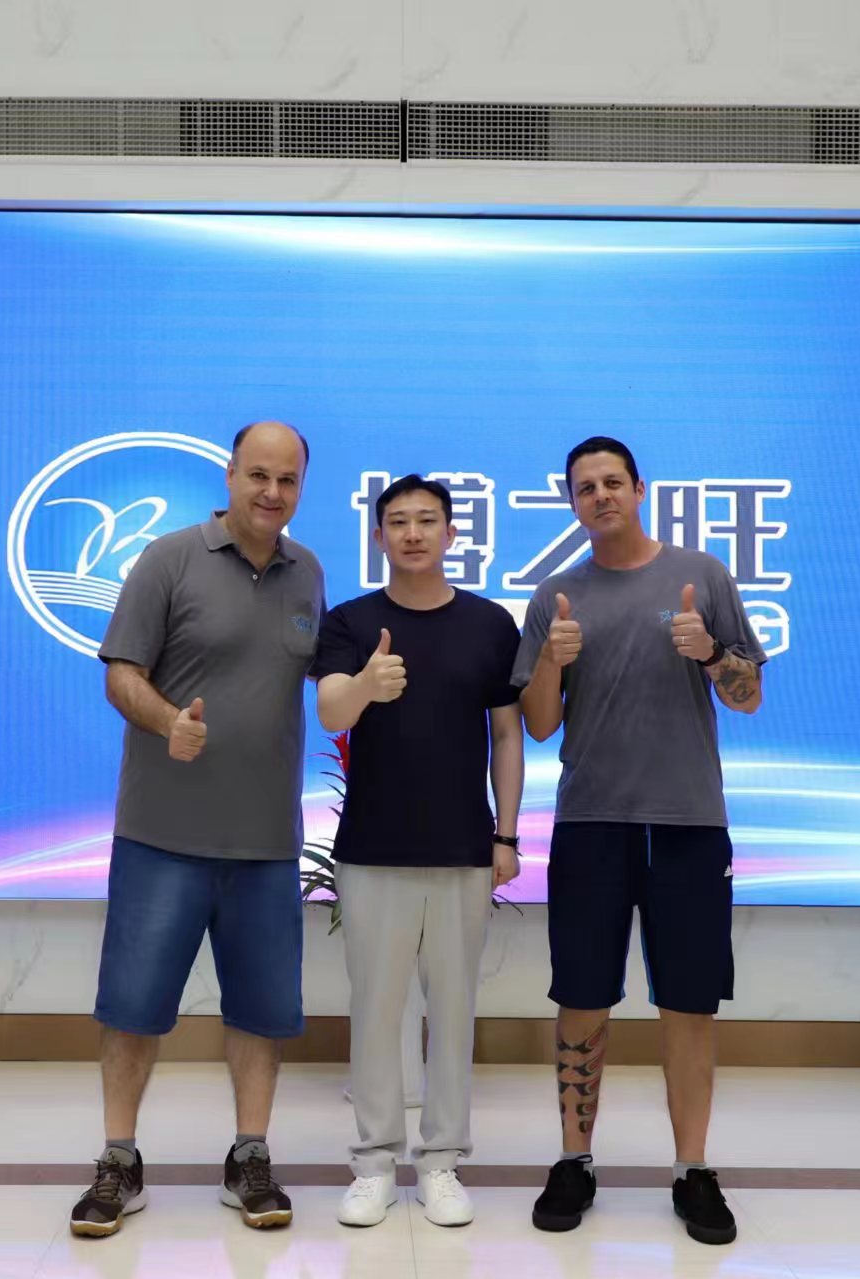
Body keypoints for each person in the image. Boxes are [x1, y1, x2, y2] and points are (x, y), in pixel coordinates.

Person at [70, 420, 324, 1239]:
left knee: (260, 1010)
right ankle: (118, 1158)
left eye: (287, 479)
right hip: (162, 835)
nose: (271, 492)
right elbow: (121, 674)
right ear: (229, 475)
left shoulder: (307, 573)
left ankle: (250, 1155)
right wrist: (167, 721)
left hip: (265, 842)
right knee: (133, 1007)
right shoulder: (169, 559)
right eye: (258, 474)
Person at [512, 435, 766, 1247]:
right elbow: (539, 724)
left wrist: (710, 653)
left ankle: (691, 1168)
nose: (600, 496)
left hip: (687, 821)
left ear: (638, 488)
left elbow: (749, 696)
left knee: (687, 1002)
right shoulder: (554, 594)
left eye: (612, 482)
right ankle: (574, 1158)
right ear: (571, 502)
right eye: (584, 487)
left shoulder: (702, 575)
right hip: (590, 820)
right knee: (581, 996)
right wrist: (549, 661)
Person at [311, 474, 525, 1230]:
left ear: (451, 533)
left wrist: (506, 834)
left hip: (463, 847)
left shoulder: (489, 623)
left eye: (427, 520)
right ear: (377, 536)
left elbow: (507, 733)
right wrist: (367, 684)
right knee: (375, 1010)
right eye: (397, 521)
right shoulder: (350, 621)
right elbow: (329, 710)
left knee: (454, 1010)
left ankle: (440, 1161)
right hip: (373, 847)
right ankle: (373, 1162)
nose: (412, 533)